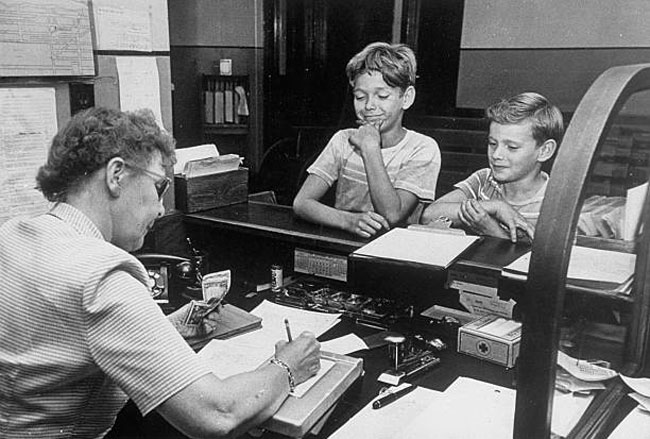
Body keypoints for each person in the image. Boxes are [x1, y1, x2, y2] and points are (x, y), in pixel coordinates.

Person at [0, 107, 321, 439]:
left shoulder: (14, 235)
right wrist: (287, 368)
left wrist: (167, 328)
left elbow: (60, 349)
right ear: (116, 175)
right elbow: (217, 414)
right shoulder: (102, 274)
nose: (161, 208)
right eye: (158, 187)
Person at [293, 42, 441, 238]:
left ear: (407, 98)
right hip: (346, 243)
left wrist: (370, 148)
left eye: (382, 96)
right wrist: (348, 221)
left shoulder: (423, 148)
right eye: (360, 97)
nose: (369, 106)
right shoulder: (343, 140)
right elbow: (302, 203)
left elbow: (392, 215)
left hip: (398, 252)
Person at [420, 92, 564, 242]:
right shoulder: (484, 180)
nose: (496, 155)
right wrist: (495, 206)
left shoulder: (554, 201)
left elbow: (537, 262)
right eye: (492, 144)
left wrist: (493, 230)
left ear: (544, 151)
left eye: (512, 147)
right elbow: (429, 215)